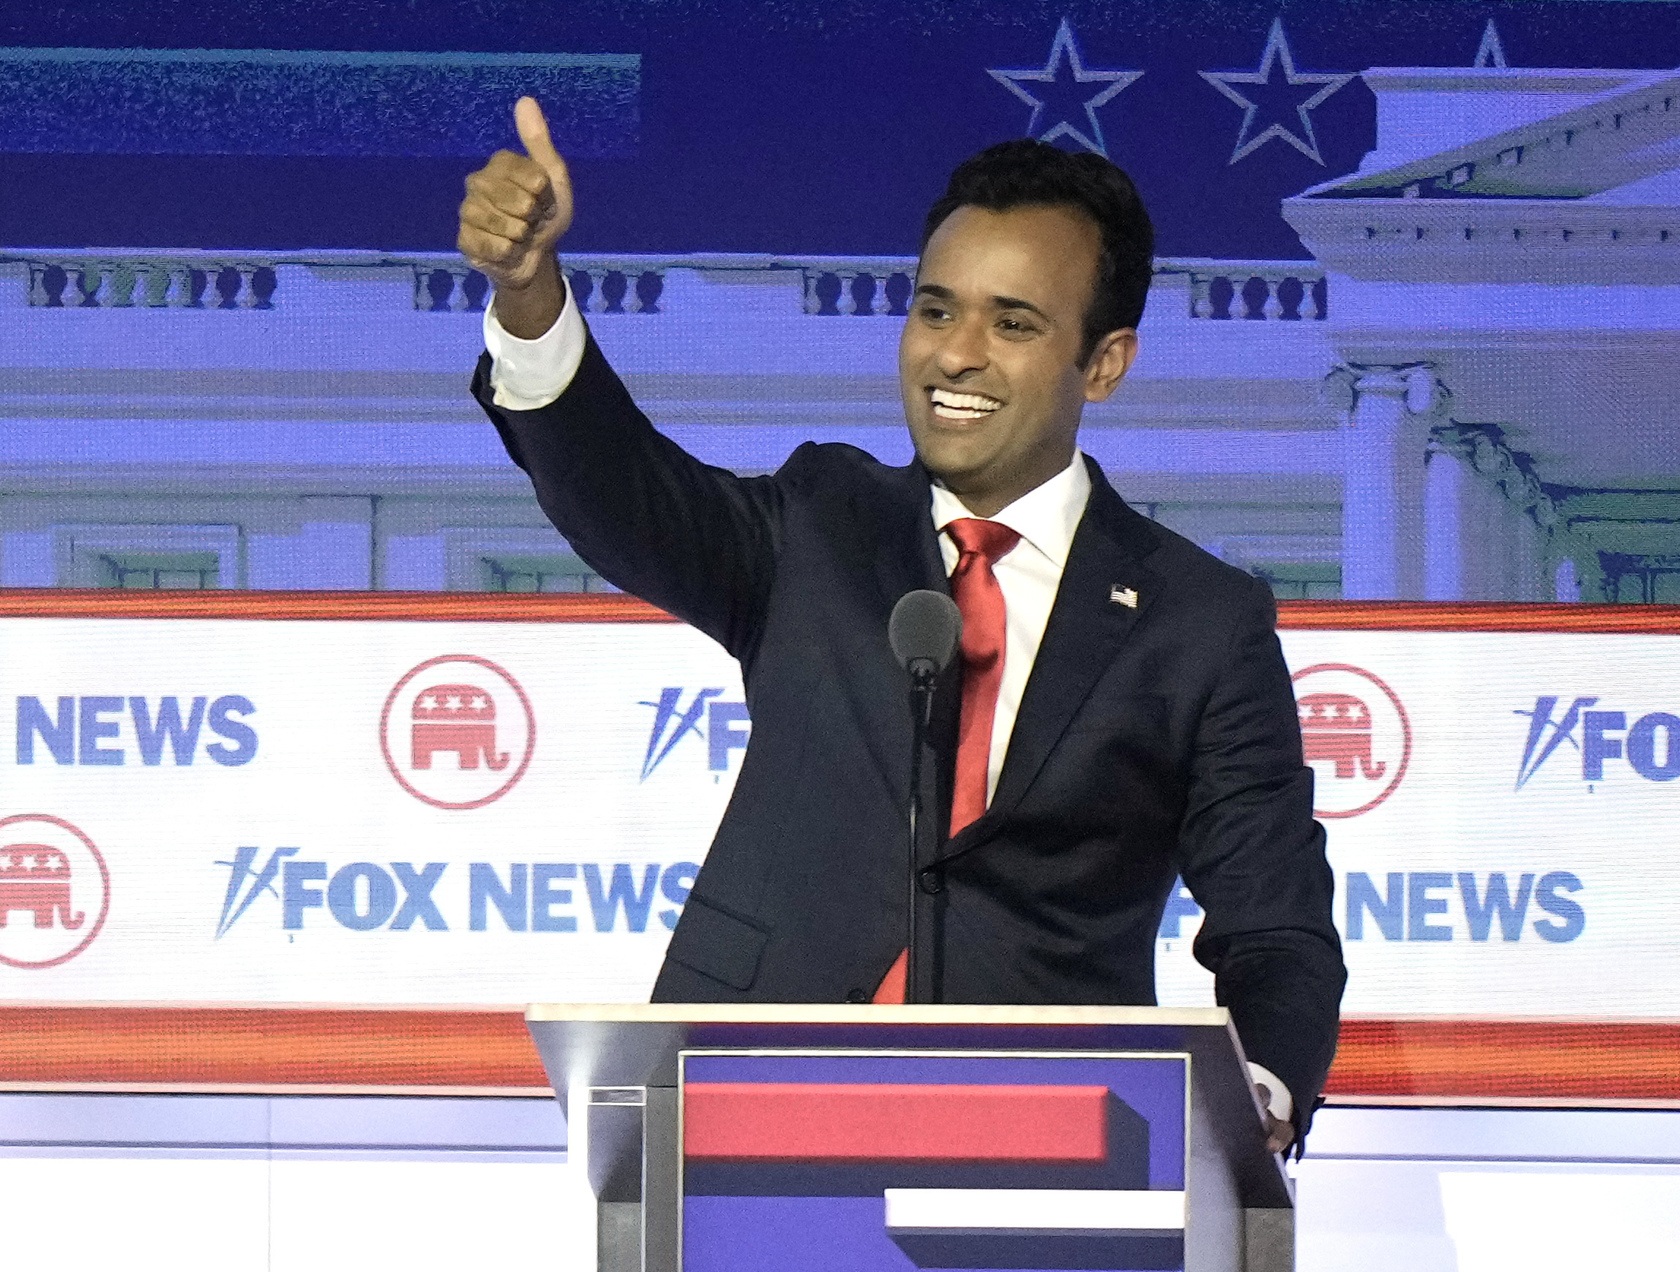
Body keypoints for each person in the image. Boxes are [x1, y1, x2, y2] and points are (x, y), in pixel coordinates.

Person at [461, 97, 1343, 1152]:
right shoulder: (821, 523)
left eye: (1013, 323)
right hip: (745, 1107)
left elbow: (1276, 923)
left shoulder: (1199, 620)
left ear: (1103, 363)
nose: (956, 354)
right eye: (935, 310)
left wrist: (1263, 1095)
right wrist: (530, 297)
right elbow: (622, 494)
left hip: (1052, 1147)